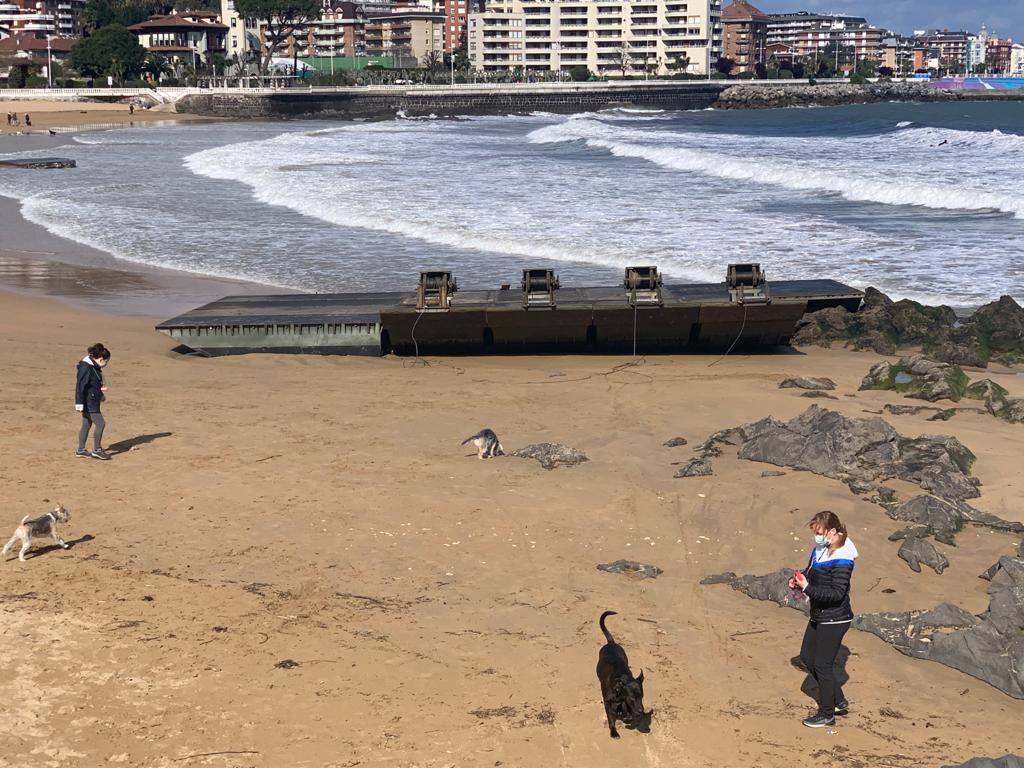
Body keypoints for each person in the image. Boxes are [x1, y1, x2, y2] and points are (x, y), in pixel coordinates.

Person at [789, 510, 858, 728]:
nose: (816, 537)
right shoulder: (821, 549)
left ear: (833, 532)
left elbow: (837, 593)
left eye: (819, 533)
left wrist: (807, 588)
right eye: (815, 533)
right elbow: (811, 572)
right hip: (819, 615)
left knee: (822, 665)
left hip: (835, 619)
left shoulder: (843, 558)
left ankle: (827, 714)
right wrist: (800, 579)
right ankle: (838, 700)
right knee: (807, 658)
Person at [75, 343, 112, 460]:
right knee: (101, 424)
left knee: (86, 424)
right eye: (106, 361)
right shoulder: (86, 367)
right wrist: (79, 403)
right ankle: (97, 450)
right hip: (88, 401)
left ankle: (80, 450)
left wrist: (100, 395)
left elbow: (94, 384)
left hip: (93, 399)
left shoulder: (94, 366)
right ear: (101, 359)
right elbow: (80, 386)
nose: (106, 363)